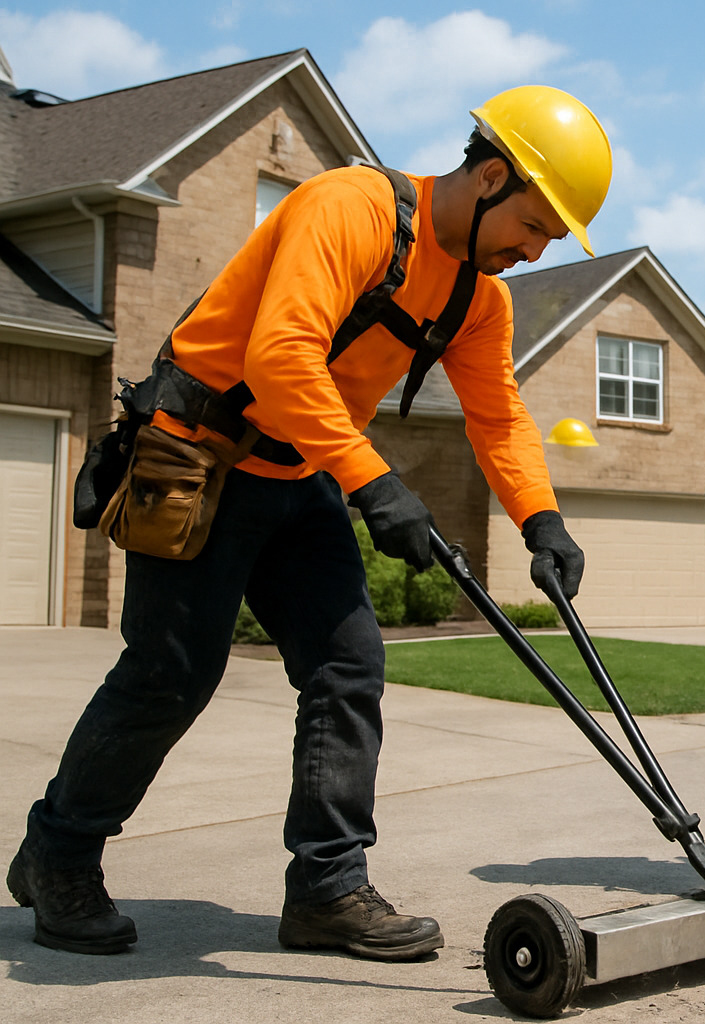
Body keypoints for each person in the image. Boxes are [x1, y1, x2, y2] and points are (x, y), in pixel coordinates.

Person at [7, 86, 612, 958]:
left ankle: (328, 888)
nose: (536, 248)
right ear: (488, 177)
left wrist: (542, 520)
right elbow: (281, 353)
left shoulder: (479, 299)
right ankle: (57, 853)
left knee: (348, 666)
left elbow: (499, 417)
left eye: (552, 237)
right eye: (536, 224)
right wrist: (375, 482)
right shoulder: (350, 207)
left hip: (299, 472)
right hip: (197, 456)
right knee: (171, 673)